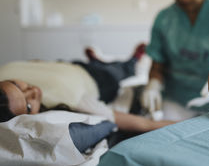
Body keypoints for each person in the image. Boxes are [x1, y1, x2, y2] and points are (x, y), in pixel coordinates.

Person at [0, 48, 174, 133]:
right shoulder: (68, 103)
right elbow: (146, 124)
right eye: (29, 106)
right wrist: (198, 123)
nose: (34, 91)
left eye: (17, 86)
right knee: (121, 69)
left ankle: (97, 59)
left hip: (68, 65)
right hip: (100, 79)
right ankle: (134, 58)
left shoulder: (5, 69)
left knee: (101, 64)